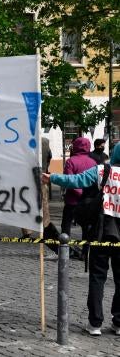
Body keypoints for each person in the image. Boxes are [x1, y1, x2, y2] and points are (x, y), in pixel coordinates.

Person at [42, 142, 120, 336]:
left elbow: (76, 181)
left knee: (97, 277)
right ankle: (119, 322)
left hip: (100, 231)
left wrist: (52, 178)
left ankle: (95, 324)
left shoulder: (103, 170)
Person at [61, 137, 96, 258]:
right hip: (88, 202)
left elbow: (68, 181)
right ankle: (85, 252)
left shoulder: (71, 161)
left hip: (72, 201)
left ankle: (66, 250)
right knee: (86, 228)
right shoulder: (93, 162)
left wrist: (78, 193)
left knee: (66, 225)